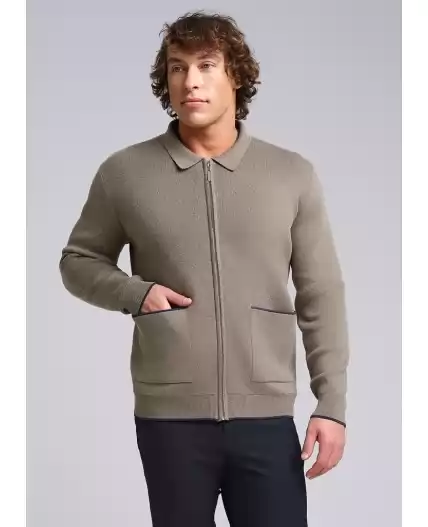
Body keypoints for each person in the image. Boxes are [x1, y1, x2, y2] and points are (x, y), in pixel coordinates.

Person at [59, 10, 350, 527]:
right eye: (178, 67)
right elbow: (77, 261)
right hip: (169, 419)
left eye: (207, 65)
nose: (190, 80)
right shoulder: (125, 173)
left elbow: (320, 294)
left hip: (265, 418)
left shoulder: (290, 175)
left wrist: (331, 403)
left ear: (236, 75)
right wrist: (135, 293)